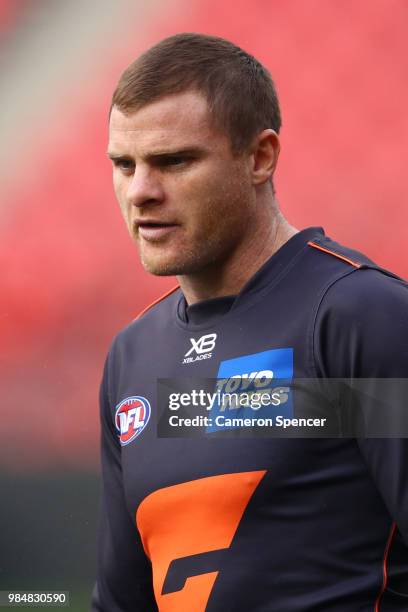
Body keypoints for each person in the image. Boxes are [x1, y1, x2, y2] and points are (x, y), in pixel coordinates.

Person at [91, 33, 408, 611]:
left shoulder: (357, 317)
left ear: (260, 157)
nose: (140, 191)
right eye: (124, 164)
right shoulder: (132, 359)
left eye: (174, 161)